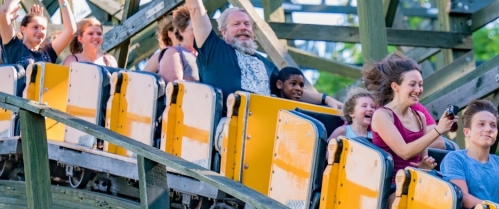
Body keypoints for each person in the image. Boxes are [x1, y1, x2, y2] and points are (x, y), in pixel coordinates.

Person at [184, 0, 340, 106]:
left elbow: (292, 89)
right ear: (223, 32)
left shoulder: (266, 65)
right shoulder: (213, 50)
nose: (243, 27)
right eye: (236, 24)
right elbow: (195, 9)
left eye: (247, 24)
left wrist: (327, 99)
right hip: (227, 123)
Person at [366, 52, 455, 184]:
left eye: (420, 84)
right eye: (412, 84)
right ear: (395, 86)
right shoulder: (382, 115)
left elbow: (422, 160)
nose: (418, 89)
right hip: (390, 185)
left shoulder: (420, 117)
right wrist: (438, 130)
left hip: (413, 182)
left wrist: (425, 166)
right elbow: (404, 152)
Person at [0, 0, 75, 67]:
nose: (40, 31)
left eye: (43, 28)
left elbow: (70, 29)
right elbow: (3, 12)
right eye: (35, 27)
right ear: (23, 29)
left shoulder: (48, 53)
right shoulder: (14, 47)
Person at [156, 8, 198, 83]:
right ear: (181, 31)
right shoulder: (173, 53)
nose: (199, 32)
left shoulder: (200, 55)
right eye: (193, 29)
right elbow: (173, 90)